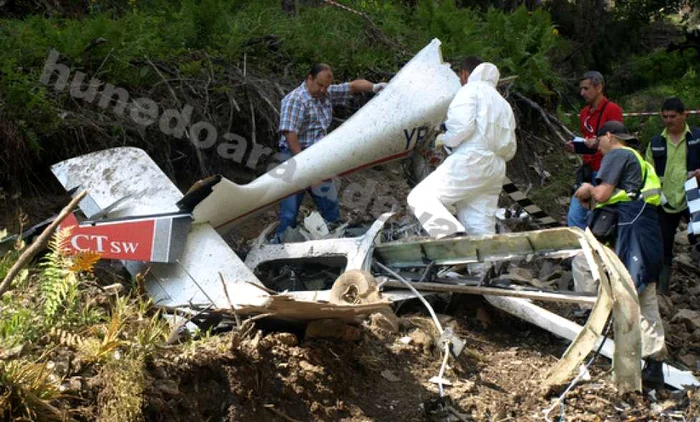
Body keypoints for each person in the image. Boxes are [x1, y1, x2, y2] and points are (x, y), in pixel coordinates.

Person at [573, 120, 667, 389]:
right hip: (645, 229)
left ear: (609, 136)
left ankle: (595, 321)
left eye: (599, 140)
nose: (598, 147)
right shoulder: (638, 159)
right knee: (645, 293)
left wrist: (587, 190)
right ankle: (653, 365)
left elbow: (602, 194)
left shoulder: (616, 154)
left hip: (630, 230)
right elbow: (625, 195)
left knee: (584, 263)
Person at [407, 57, 517, 238]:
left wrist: (444, 139)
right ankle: (483, 266)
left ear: (465, 74)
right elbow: (511, 147)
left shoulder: (469, 91)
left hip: (471, 159)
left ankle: (452, 241)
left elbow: (461, 128)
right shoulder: (503, 104)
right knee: (480, 228)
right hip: (495, 168)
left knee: (420, 198)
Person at [275, 64, 386, 241]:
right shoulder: (296, 100)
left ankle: (332, 240)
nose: (323, 90)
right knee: (290, 208)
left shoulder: (324, 93)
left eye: (326, 86)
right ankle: (280, 245)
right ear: (309, 78)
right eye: (320, 85)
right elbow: (290, 134)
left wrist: (374, 87)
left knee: (329, 204)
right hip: (295, 156)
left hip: (318, 157)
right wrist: (302, 161)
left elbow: (351, 86)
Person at [644, 98, 700, 293]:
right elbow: (647, 173)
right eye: (665, 116)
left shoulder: (697, 138)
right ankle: (662, 290)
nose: (668, 120)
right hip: (665, 201)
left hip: (694, 197)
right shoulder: (656, 143)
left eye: (673, 116)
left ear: (684, 115)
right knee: (663, 245)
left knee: (699, 237)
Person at [566, 71, 623, 229]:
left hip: (605, 174)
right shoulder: (584, 113)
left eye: (586, 88)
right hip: (587, 171)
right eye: (581, 89)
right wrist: (577, 147)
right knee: (575, 216)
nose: (582, 93)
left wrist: (597, 142)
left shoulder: (612, 110)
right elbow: (587, 138)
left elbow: (618, 140)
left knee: (601, 219)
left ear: (599, 87)